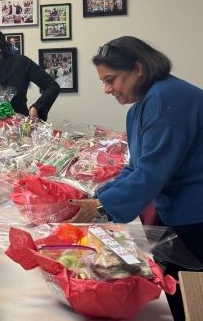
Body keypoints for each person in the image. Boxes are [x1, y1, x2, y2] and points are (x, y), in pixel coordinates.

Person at [71, 36, 203, 321]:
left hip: (196, 214)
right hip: (179, 212)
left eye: (112, 79)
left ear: (139, 68)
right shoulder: (140, 108)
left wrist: (100, 208)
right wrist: (95, 199)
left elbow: (151, 172)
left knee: (193, 297)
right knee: (178, 293)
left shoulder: (168, 98)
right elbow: (135, 168)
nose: (107, 89)